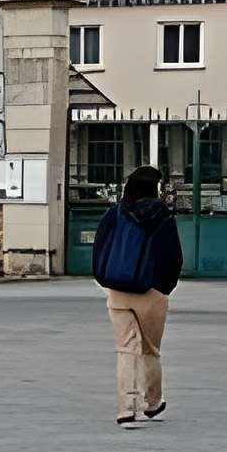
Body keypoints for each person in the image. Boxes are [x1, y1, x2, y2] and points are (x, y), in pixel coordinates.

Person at [90, 166, 184, 427]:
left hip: (118, 290)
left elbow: (100, 247)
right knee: (150, 350)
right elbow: (172, 256)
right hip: (151, 292)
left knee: (125, 349)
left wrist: (106, 279)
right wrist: (165, 287)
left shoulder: (113, 213)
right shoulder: (161, 216)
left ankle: (125, 409)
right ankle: (152, 403)